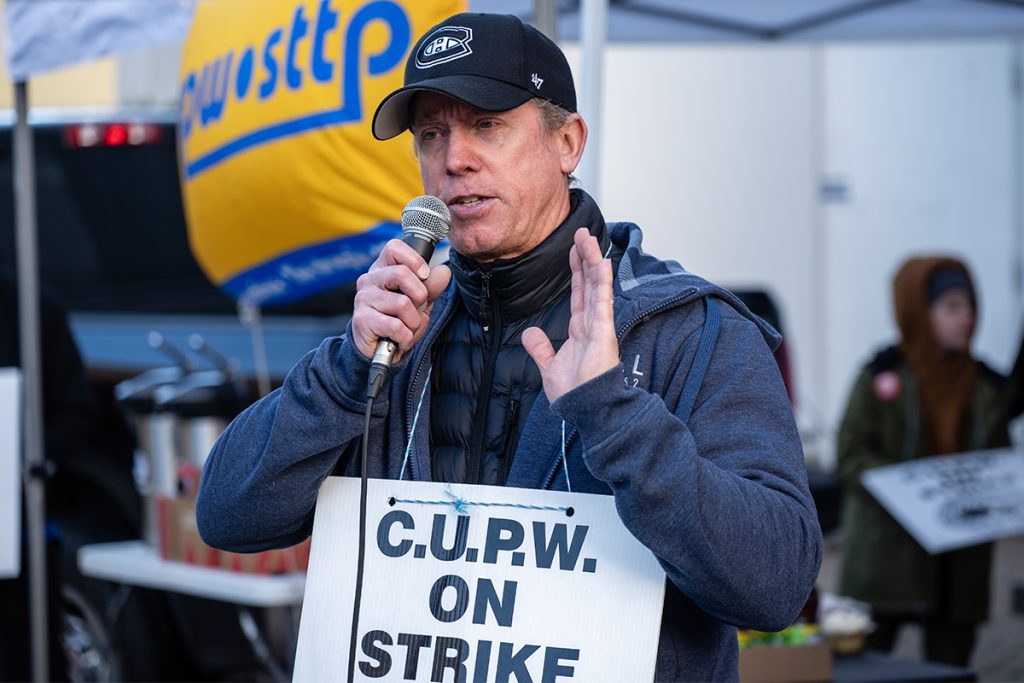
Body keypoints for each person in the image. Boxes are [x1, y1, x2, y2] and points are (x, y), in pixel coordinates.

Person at [197, 12, 822, 681]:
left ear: (568, 143)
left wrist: (616, 415)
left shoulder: (689, 329)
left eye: (486, 125)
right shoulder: (398, 333)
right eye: (431, 134)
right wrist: (345, 373)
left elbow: (776, 583)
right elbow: (227, 513)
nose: (453, 158)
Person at [836, 256, 1011, 667]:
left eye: (970, 306)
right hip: (888, 557)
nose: (966, 318)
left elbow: (1000, 462)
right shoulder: (880, 376)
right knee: (866, 665)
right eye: (951, 307)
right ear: (919, 310)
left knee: (951, 664)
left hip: (959, 561)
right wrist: (909, 491)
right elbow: (850, 455)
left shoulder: (986, 386)